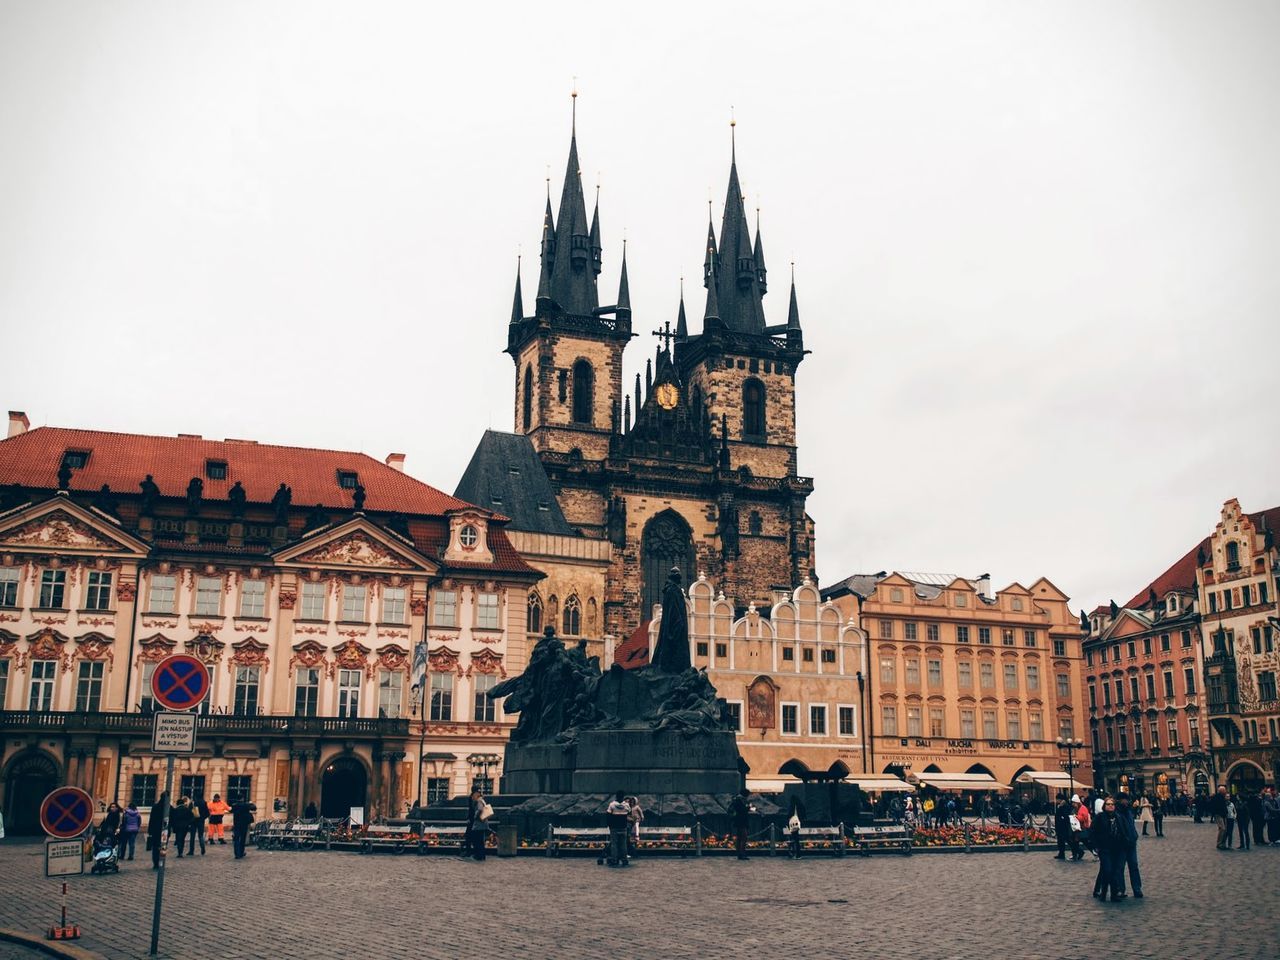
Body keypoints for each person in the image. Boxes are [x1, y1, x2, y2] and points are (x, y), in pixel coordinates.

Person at [1093, 797, 1127, 902]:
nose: (1110, 806)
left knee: (1115, 871)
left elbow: (1124, 830)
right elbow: (1093, 832)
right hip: (1104, 848)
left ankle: (1114, 894)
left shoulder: (1118, 817)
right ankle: (1103, 892)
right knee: (1107, 870)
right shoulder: (1100, 817)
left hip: (1117, 848)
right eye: (1108, 804)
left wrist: (1126, 841)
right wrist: (1096, 846)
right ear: (1104, 806)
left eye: (1112, 804)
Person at [1115, 793, 1143, 897]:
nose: (1126, 802)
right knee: (1120, 867)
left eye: (1127, 800)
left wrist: (1134, 835)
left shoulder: (1128, 811)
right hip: (1121, 844)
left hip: (1131, 842)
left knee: (1134, 866)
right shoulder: (1116, 813)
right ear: (1119, 801)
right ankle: (1120, 889)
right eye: (1124, 800)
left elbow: (1131, 825)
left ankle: (1137, 888)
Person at [604, 791, 630, 867]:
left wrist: (609, 825)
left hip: (614, 827)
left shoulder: (612, 805)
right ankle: (624, 859)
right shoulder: (626, 805)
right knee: (623, 844)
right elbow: (629, 812)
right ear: (623, 796)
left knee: (614, 844)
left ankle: (614, 860)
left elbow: (608, 815)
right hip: (623, 827)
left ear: (616, 796)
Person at [728, 788, 753, 860]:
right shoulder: (739, 800)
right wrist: (748, 808)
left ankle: (739, 853)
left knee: (739, 838)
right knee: (743, 837)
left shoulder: (737, 799)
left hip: (739, 821)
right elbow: (741, 810)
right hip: (741, 821)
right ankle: (741, 853)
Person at [1054, 793, 1081, 861]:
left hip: (1063, 826)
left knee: (1068, 840)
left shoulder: (1065, 806)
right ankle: (1061, 853)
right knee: (1061, 841)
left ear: (1060, 799)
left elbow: (1065, 816)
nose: (1056, 801)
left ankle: (1079, 851)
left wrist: (1060, 808)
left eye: (1057, 799)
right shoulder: (1060, 805)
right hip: (1060, 826)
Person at [464, 787, 488, 862]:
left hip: (478, 823)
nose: (473, 797)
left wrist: (475, 816)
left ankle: (478, 855)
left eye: (474, 795)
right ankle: (481, 855)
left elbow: (479, 809)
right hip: (482, 822)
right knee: (480, 840)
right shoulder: (482, 800)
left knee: (477, 840)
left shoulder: (479, 801)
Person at [148, 793, 169, 870]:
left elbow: (151, 819)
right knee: (163, 847)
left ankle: (156, 862)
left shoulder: (155, 806)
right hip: (165, 831)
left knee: (155, 847)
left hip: (155, 830)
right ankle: (161, 862)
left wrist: (150, 831)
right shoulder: (168, 807)